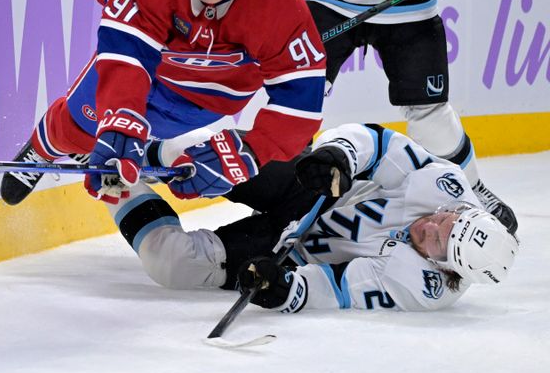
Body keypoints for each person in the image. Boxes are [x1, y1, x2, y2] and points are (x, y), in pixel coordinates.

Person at [1, 0, 326, 210]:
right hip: (151, 68)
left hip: (207, 98)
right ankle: (45, 145)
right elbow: (125, 53)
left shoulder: (278, 5)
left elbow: (301, 103)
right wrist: (121, 117)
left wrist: (250, 153)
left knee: (134, 141)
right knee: (79, 125)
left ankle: (121, 147)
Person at [255, 0, 518, 235]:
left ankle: (470, 191)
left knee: (430, 113)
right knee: (300, 100)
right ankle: (288, 199)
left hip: (410, 5)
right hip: (328, 1)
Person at [110, 123, 518, 313]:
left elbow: (341, 288)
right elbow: (377, 143)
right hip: (311, 188)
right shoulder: (444, 184)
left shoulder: (425, 287)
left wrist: (287, 288)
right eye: (443, 221)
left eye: (435, 242)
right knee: (207, 162)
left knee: (174, 264)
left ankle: (111, 181)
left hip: (293, 249)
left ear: (443, 268)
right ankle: (126, 134)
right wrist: (339, 156)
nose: (429, 227)